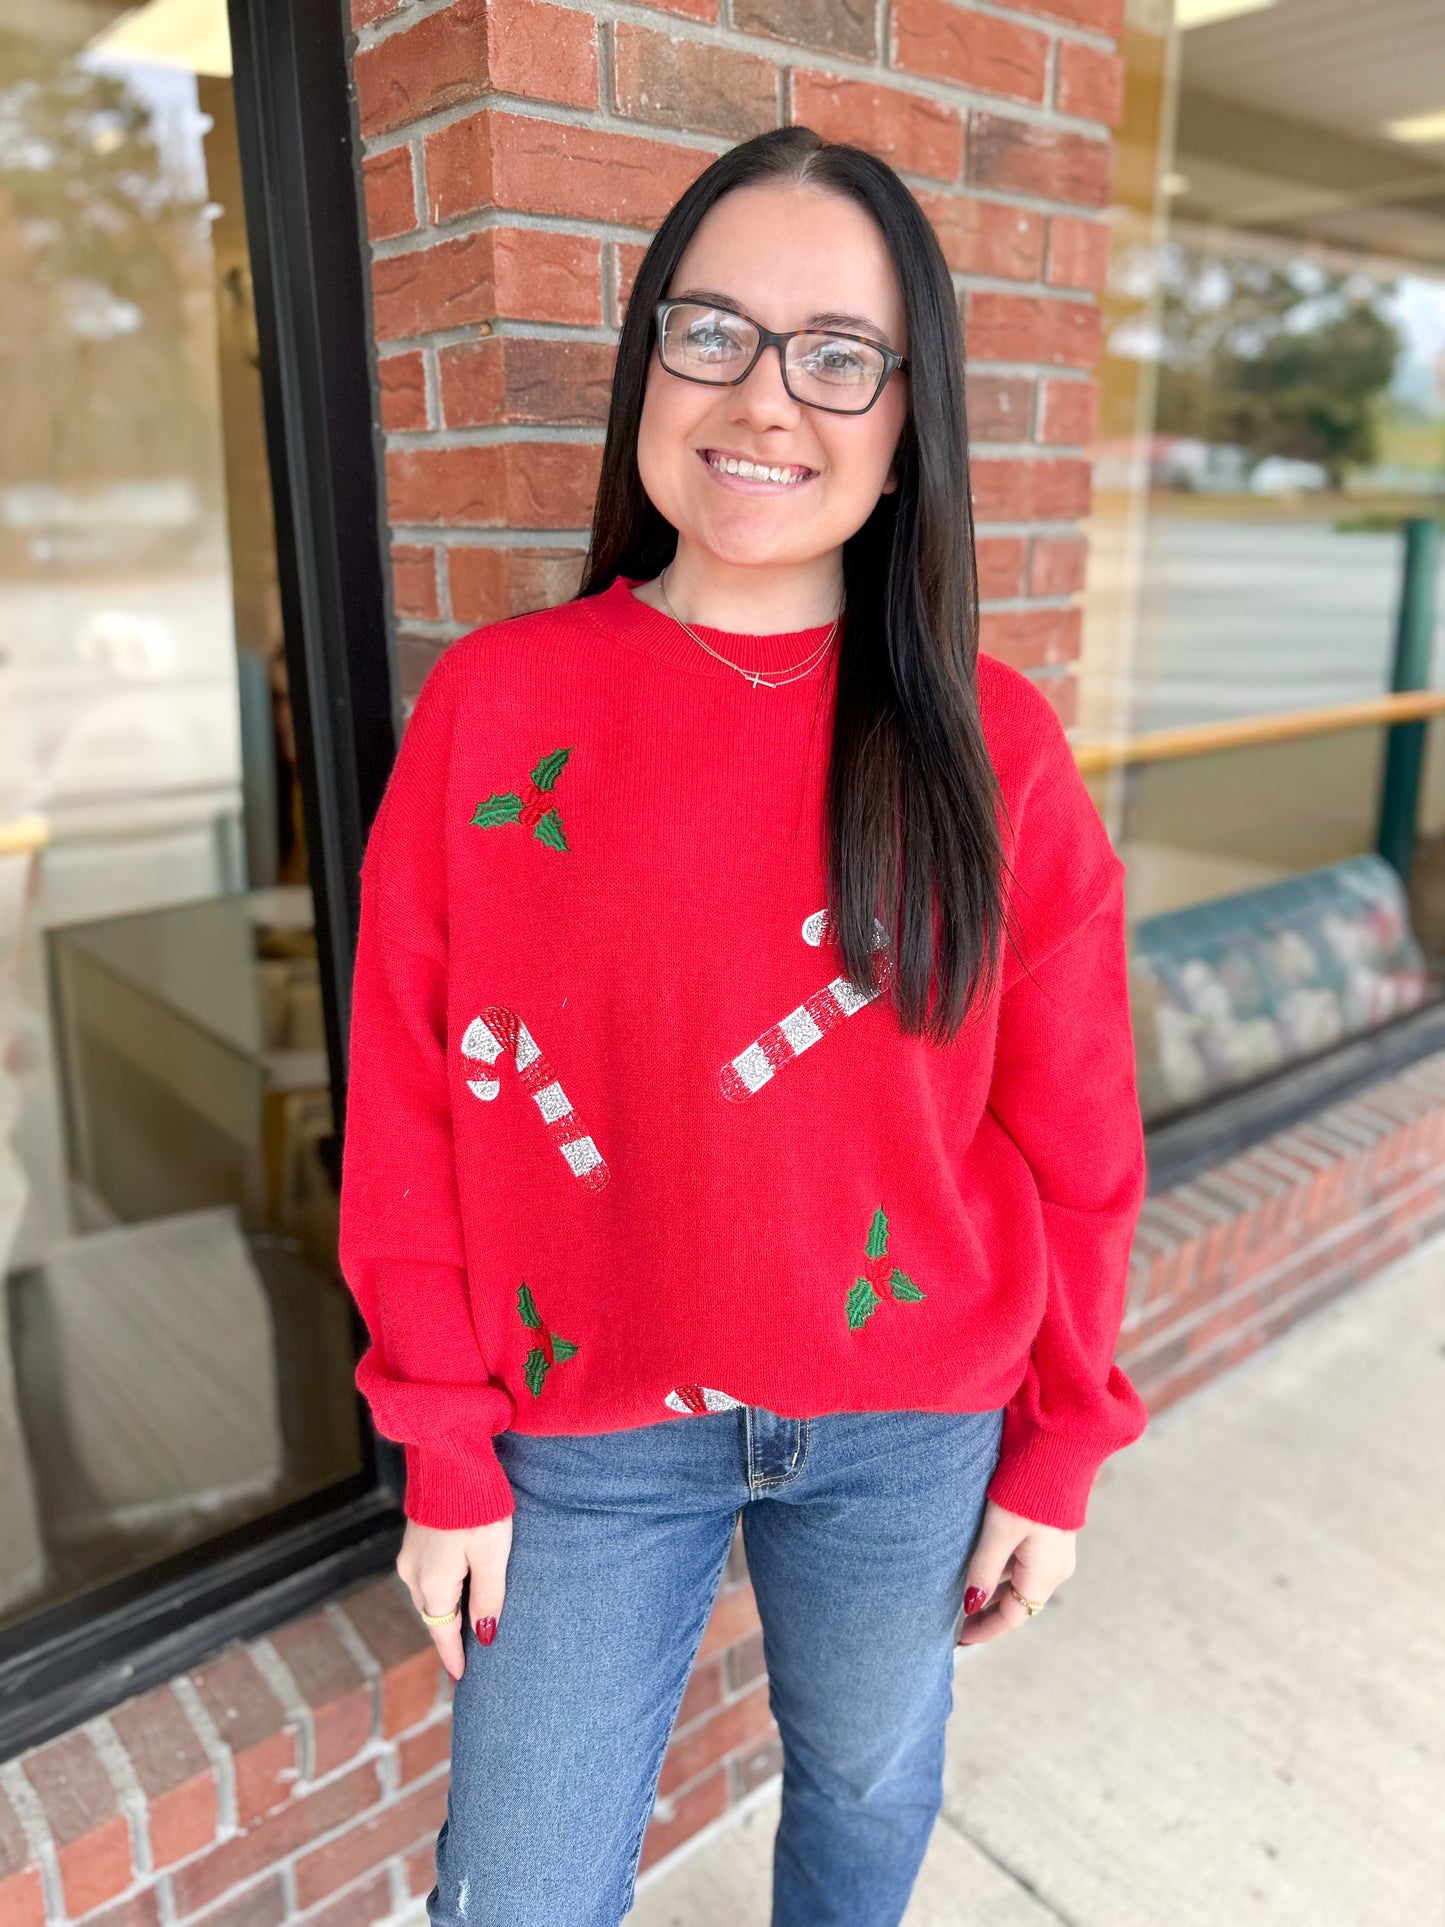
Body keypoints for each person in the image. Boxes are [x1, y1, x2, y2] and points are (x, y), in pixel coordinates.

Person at [337, 123, 1148, 1927]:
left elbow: (1075, 1129)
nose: (765, 399)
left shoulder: (988, 745)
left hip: (910, 1415)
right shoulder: (498, 711)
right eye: (710, 332)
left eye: (836, 355)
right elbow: (408, 1101)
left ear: (907, 413)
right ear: (647, 365)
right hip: (583, 1427)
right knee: (517, 1888)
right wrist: (442, 1438)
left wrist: (1063, 1440)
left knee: (866, 1787)